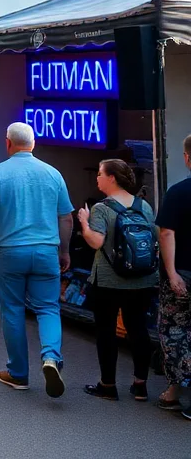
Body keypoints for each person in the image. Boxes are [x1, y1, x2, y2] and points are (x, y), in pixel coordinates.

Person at [0, 122, 74, 397]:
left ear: (7, 143)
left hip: (10, 252)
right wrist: (64, 250)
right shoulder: (53, 174)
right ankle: (51, 357)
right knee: (49, 308)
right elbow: (66, 217)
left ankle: (18, 374)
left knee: (13, 311)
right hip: (45, 252)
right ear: (34, 143)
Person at [76, 159, 158, 400]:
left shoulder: (102, 208)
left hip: (109, 281)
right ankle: (140, 385)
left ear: (112, 178)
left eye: (100, 173)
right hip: (142, 279)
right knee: (138, 329)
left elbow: (96, 242)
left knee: (106, 331)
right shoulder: (144, 206)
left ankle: (108, 385)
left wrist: (84, 221)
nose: (97, 178)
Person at [156, 134, 191, 416]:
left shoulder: (178, 192)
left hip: (184, 274)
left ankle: (175, 392)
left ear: (187, 157)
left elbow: (166, 233)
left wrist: (171, 273)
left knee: (175, 332)